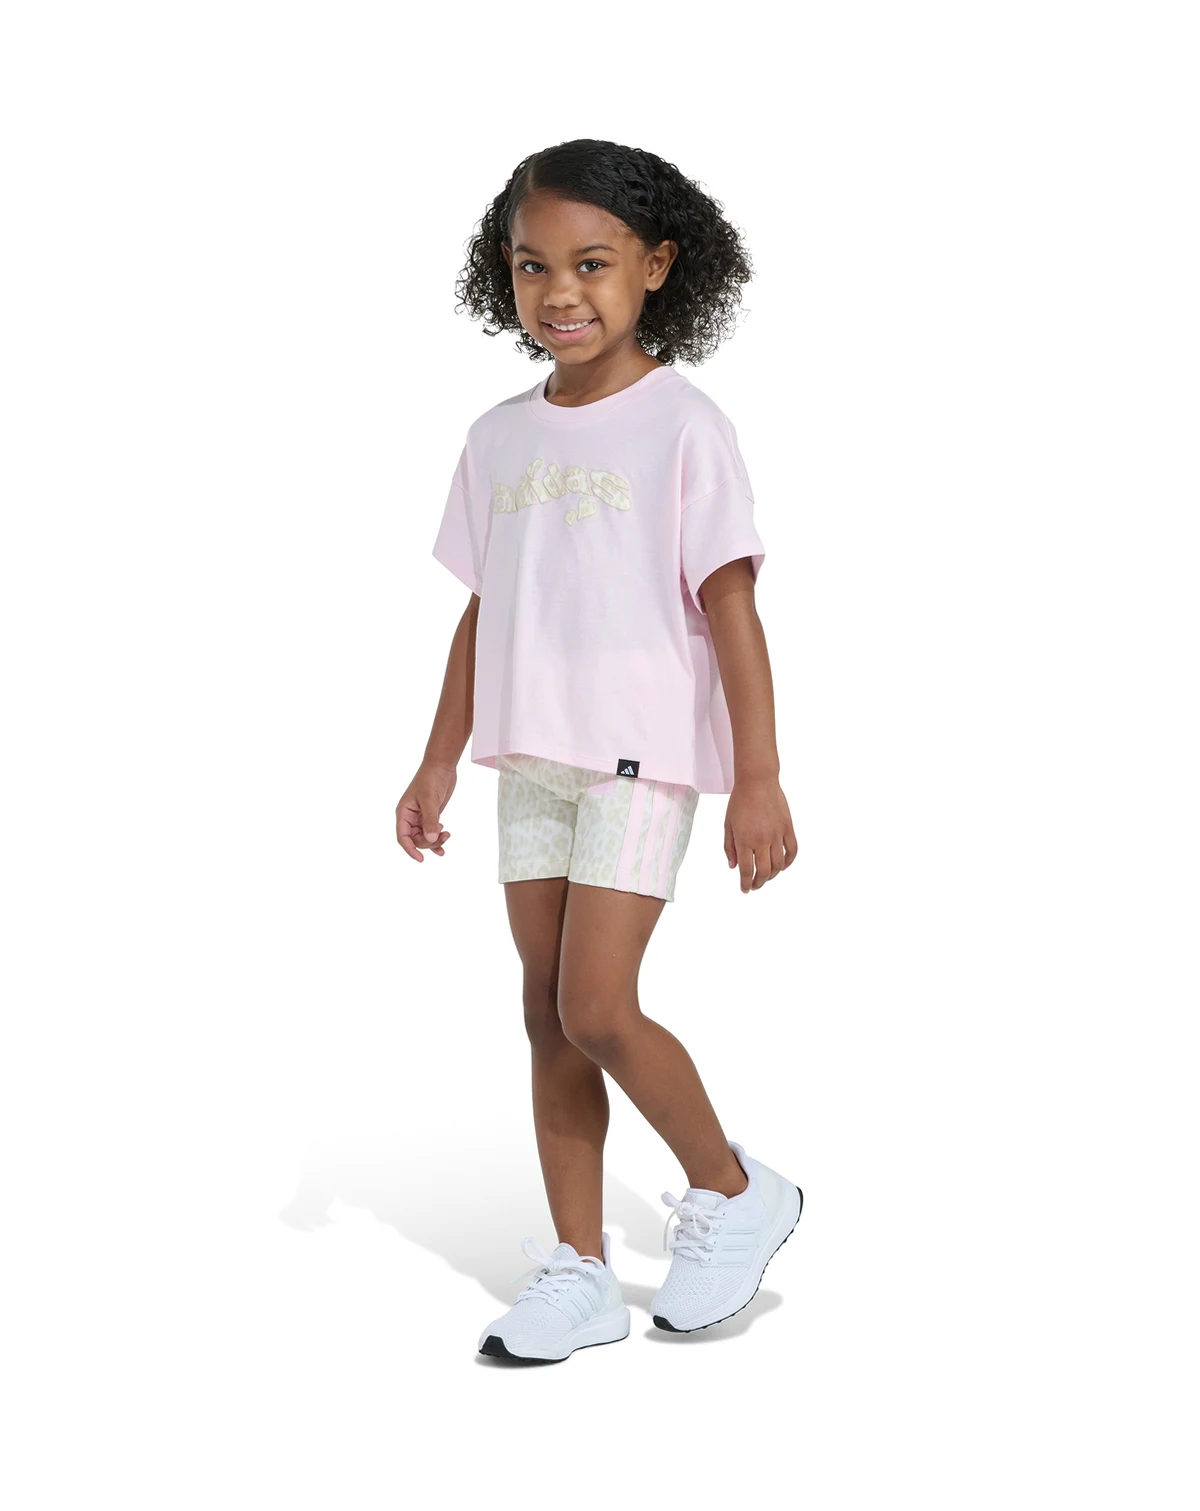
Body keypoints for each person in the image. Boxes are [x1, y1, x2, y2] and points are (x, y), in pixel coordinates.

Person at [396, 138, 803, 1363]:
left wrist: (760, 774)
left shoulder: (683, 425)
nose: (559, 292)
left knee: (597, 1004)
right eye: (533, 266)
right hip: (531, 758)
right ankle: (579, 1268)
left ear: (658, 266)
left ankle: (734, 1187)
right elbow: (486, 608)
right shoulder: (497, 437)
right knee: (546, 1011)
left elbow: (731, 605)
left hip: (637, 756)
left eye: (591, 263)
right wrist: (436, 757)